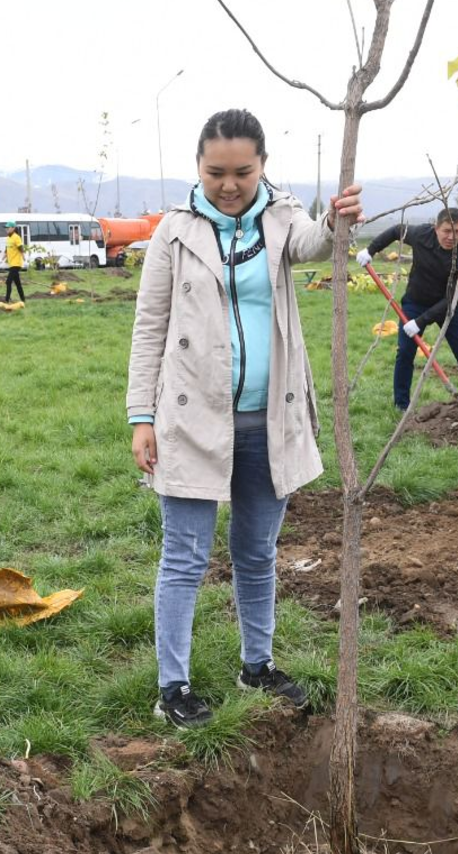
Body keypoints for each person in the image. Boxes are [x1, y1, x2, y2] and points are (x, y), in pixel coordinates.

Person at [127, 108, 363, 729]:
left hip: (269, 417)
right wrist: (140, 416)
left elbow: (315, 245)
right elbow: (148, 329)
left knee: (256, 552)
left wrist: (338, 217)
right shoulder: (173, 233)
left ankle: (256, 664)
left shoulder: (281, 218)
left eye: (242, 171)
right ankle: (171, 687)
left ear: (262, 165)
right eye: (215, 172)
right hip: (191, 419)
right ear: (198, 168)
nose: (229, 184)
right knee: (184, 555)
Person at [360, 209, 458, 411]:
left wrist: (420, 322)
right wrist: (370, 250)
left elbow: (452, 299)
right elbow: (396, 231)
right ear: (436, 228)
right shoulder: (421, 235)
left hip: (449, 307)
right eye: (446, 231)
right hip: (416, 302)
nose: (452, 237)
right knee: (406, 352)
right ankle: (402, 404)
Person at [4, 221, 27, 303]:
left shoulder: (16, 237)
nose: (7, 229)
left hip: (16, 264)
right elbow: (6, 248)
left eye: (8, 227)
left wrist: (23, 256)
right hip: (11, 263)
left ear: (13, 228)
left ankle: (7, 300)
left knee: (8, 281)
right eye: (6, 228)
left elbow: (20, 247)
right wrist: (4, 255)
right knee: (18, 283)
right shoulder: (8, 238)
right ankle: (23, 299)